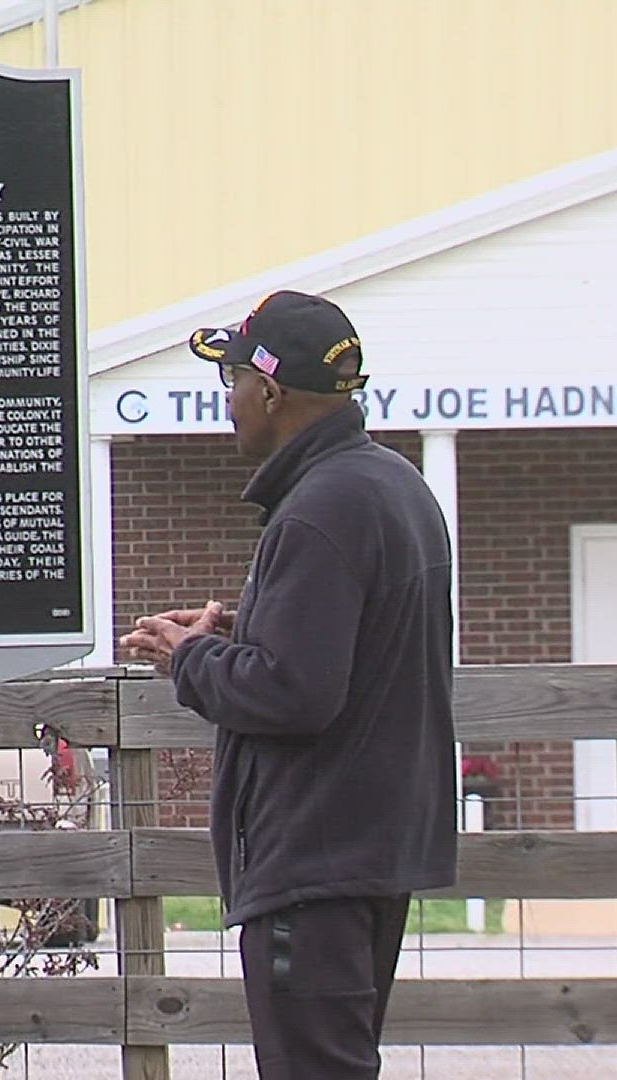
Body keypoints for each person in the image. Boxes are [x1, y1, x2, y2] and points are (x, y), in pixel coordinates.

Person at [119, 291, 457, 1079]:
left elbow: (294, 695)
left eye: (230, 381)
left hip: (315, 859)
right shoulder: (391, 484)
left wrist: (187, 660)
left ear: (270, 391)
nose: (227, 403)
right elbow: (359, 648)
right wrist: (248, 628)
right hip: (371, 848)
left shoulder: (318, 510)